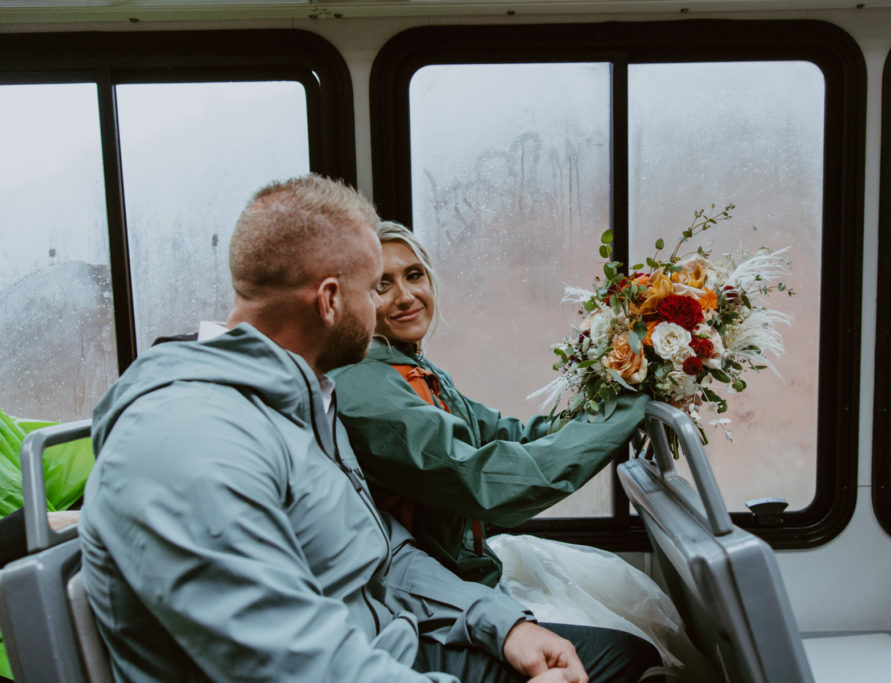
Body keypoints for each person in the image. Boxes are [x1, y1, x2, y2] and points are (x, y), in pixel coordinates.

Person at [78, 174, 657, 683]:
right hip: (359, 659)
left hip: (386, 638)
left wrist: (501, 626)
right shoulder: (188, 443)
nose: (391, 304)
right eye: (372, 287)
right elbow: (293, 667)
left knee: (619, 657)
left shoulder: (306, 403)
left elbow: (384, 556)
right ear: (331, 300)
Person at [328, 222, 650, 587]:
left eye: (413, 275)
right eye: (382, 285)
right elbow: (483, 481)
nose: (405, 296)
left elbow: (506, 434)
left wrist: (616, 393)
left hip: (463, 574)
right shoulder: (364, 387)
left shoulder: (408, 366)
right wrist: (626, 413)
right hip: (427, 598)